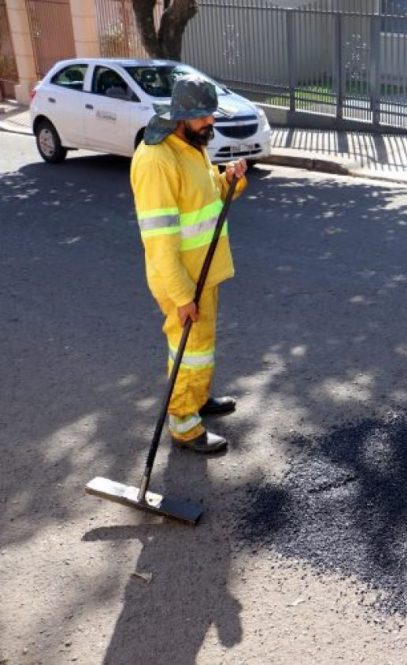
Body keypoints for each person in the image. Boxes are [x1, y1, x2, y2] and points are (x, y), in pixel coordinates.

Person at [129, 75, 248, 453]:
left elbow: (207, 192)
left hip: (204, 270)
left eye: (210, 115)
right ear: (180, 117)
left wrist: (229, 179)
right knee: (188, 347)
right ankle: (183, 423)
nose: (210, 123)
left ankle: (196, 399)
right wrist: (182, 295)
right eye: (203, 117)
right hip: (182, 278)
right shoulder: (156, 161)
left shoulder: (190, 145)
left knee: (201, 346)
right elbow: (159, 241)